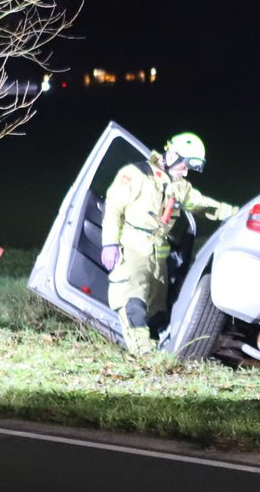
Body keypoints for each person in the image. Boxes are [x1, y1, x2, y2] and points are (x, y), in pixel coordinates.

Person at [100, 132, 238, 356]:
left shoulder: (180, 187)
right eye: (184, 166)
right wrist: (110, 244)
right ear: (172, 154)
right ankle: (143, 353)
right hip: (133, 248)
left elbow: (203, 205)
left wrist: (236, 214)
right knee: (132, 298)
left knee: (158, 310)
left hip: (158, 253)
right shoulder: (135, 174)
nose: (185, 172)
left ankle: (156, 347)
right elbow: (114, 209)